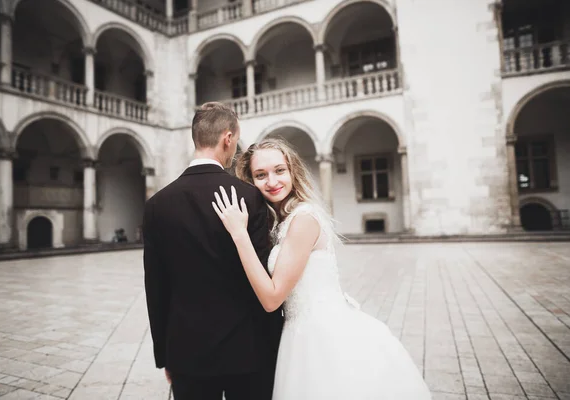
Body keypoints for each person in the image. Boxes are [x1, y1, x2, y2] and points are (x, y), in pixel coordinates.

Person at [212, 138, 433, 399]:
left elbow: (272, 298)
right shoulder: (283, 220)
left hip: (323, 337)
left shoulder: (303, 220)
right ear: (251, 180)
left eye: (279, 170)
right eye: (261, 175)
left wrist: (239, 234)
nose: (272, 181)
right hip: (299, 334)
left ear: (293, 171)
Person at [142, 102, 283, 400]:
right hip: (249, 350)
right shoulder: (248, 196)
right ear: (228, 138)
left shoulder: (156, 205)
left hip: (186, 352)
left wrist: (165, 355)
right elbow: (261, 273)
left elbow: (156, 288)